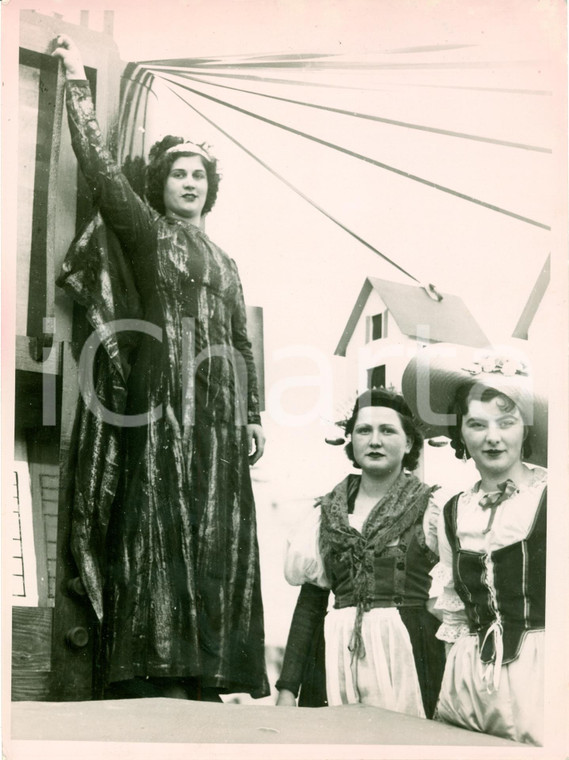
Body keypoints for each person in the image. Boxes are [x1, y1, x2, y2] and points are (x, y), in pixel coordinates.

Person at [51, 35, 269, 700]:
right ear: (161, 184)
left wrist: (255, 413)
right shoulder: (148, 234)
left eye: (199, 174)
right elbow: (99, 169)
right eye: (178, 172)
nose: (189, 181)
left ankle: (211, 667)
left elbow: (241, 339)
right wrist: (73, 83)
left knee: (217, 528)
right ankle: (152, 664)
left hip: (222, 409)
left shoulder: (227, 261)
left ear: (211, 188)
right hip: (161, 389)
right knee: (155, 514)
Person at [402, 343, 547, 744]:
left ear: (526, 428)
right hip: (469, 682)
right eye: (477, 424)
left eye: (507, 422)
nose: (493, 438)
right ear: (460, 432)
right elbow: (455, 617)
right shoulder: (450, 511)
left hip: (544, 675)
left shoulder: (554, 497)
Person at [276, 388, 446, 718]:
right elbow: (311, 604)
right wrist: (287, 689)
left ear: (409, 443)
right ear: (351, 440)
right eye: (364, 430)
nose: (375, 441)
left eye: (388, 430)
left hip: (409, 654)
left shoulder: (431, 509)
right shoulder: (326, 513)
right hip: (335, 655)